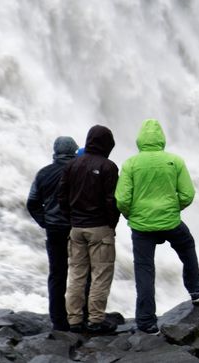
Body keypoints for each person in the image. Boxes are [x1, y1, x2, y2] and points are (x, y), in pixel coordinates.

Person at [115, 119, 199, 334]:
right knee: (187, 247)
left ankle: (146, 321)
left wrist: (131, 215)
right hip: (170, 221)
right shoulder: (174, 161)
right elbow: (187, 194)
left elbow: (122, 199)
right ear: (161, 138)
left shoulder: (131, 164)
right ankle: (196, 289)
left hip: (141, 226)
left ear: (140, 139)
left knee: (144, 269)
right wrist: (172, 209)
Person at [58, 125, 120, 335]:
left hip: (76, 228)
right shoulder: (108, 167)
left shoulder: (72, 165)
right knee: (100, 274)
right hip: (99, 228)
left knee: (76, 274)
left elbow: (62, 197)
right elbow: (111, 200)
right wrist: (112, 223)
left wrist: (72, 219)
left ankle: (74, 320)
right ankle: (95, 320)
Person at [26, 136, 79, 331]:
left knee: (57, 274)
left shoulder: (43, 173)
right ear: (74, 150)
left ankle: (58, 320)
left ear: (55, 152)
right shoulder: (79, 172)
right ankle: (80, 316)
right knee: (81, 272)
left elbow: (32, 203)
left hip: (54, 230)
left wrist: (44, 221)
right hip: (78, 229)